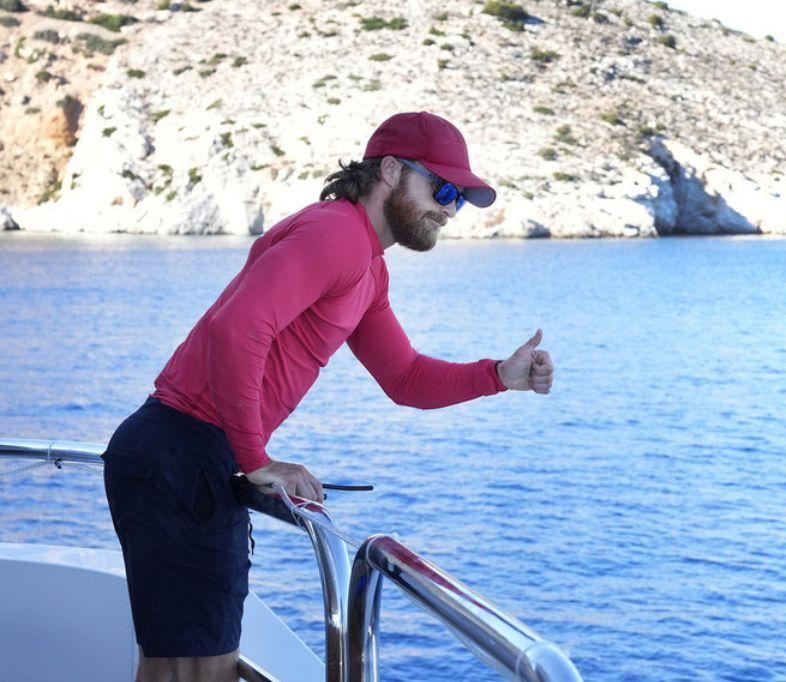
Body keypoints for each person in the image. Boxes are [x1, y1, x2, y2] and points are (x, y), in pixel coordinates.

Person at [101, 112, 554, 682]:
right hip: (184, 451)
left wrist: (497, 375)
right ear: (390, 170)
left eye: (460, 199)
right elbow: (236, 329)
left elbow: (406, 377)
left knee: (178, 670)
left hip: (184, 455)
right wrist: (256, 460)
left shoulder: (367, 267)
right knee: (197, 673)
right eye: (442, 189)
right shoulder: (337, 233)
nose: (449, 209)